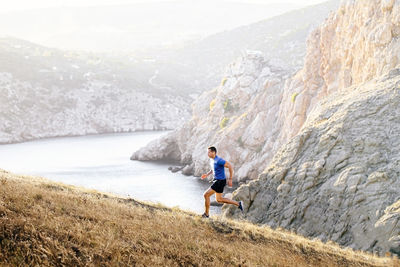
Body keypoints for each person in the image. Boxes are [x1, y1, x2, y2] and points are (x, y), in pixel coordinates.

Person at [201, 146, 243, 218]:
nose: (207, 154)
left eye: (209, 152)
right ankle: (238, 204)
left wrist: (230, 179)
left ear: (213, 152)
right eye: (207, 152)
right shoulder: (212, 160)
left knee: (206, 195)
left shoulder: (219, 160)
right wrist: (207, 174)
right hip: (218, 181)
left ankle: (206, 214)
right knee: (219, 200)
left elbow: (230, 166)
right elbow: (213, 169)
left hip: (220, 181)